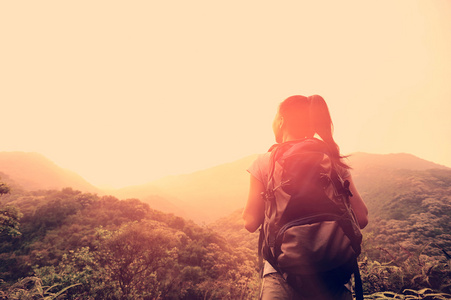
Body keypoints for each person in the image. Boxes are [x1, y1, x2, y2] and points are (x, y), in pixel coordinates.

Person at [242, 95, 368, 300]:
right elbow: (361, 218)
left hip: (282, 276)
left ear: (281, 121)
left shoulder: (265, 162)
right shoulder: (333, 159)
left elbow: (250, 222)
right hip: (333, 276)